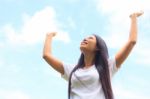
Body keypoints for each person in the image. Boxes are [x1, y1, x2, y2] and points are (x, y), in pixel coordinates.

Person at [42, 12, 143, 99]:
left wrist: (133, 17)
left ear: (97, 47)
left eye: (90, 38)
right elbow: (46, 55)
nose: (85, 39)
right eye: (84, 38)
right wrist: (48, 36)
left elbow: (132, 42)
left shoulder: (107, 67)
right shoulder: (72, 70)